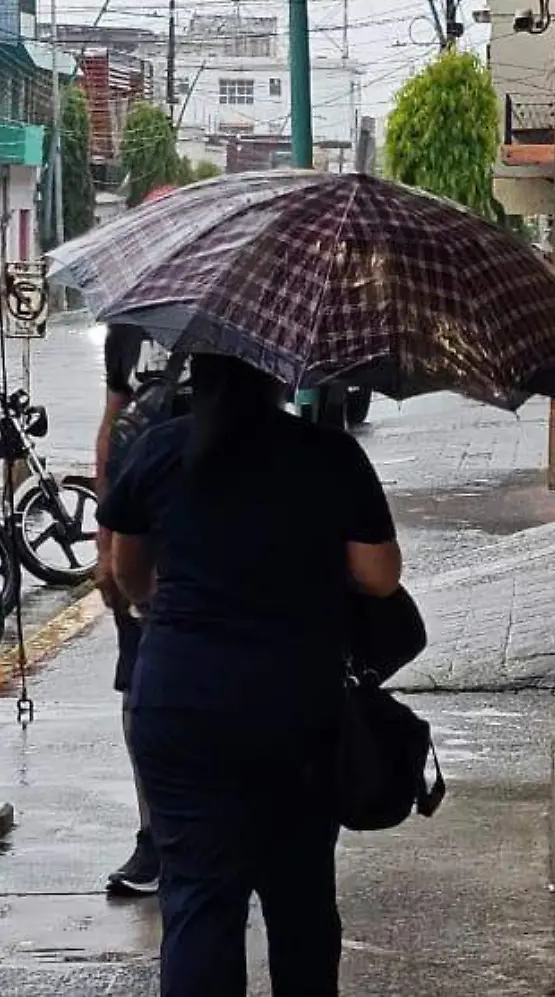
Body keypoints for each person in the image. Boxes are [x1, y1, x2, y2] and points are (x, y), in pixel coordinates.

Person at [98, 353, 403, 997]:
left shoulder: (161, 450)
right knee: (300, 897)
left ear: (196, 374)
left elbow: (126, 573)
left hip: (180, 701)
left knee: (200, 900)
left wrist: (172, 602)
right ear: (277, 376)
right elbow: (379, 576)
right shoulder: (328, 454)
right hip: (296, 705)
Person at [96, 322, 190, 896]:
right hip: (141, 532)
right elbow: (111, 430)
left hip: (211, 530)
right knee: (141, 691)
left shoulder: (251, 317)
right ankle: (153, 834)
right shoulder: (130, 329)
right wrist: (104, 541)